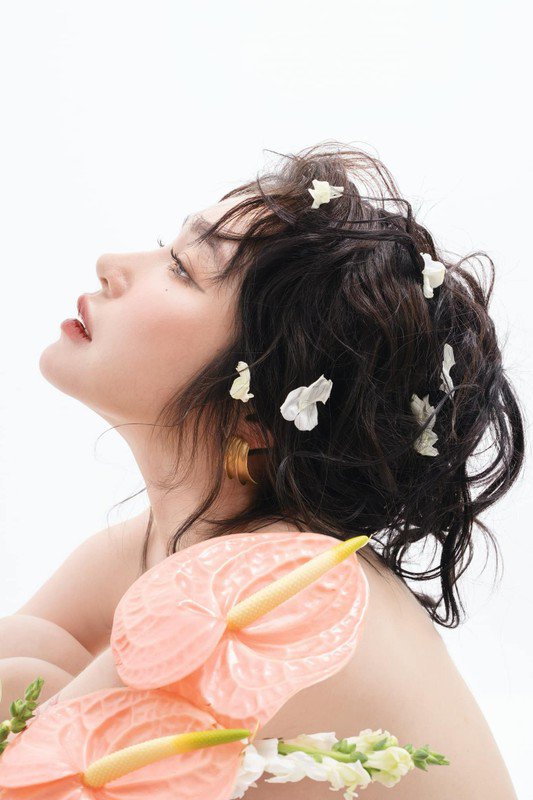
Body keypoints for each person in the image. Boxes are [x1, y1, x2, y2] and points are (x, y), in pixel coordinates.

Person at [1, 141, 524, 798]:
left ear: (259, 415)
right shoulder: (156, 546)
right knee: (31, 658)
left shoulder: (256, 593)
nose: (112, 266)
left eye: (183, 269)